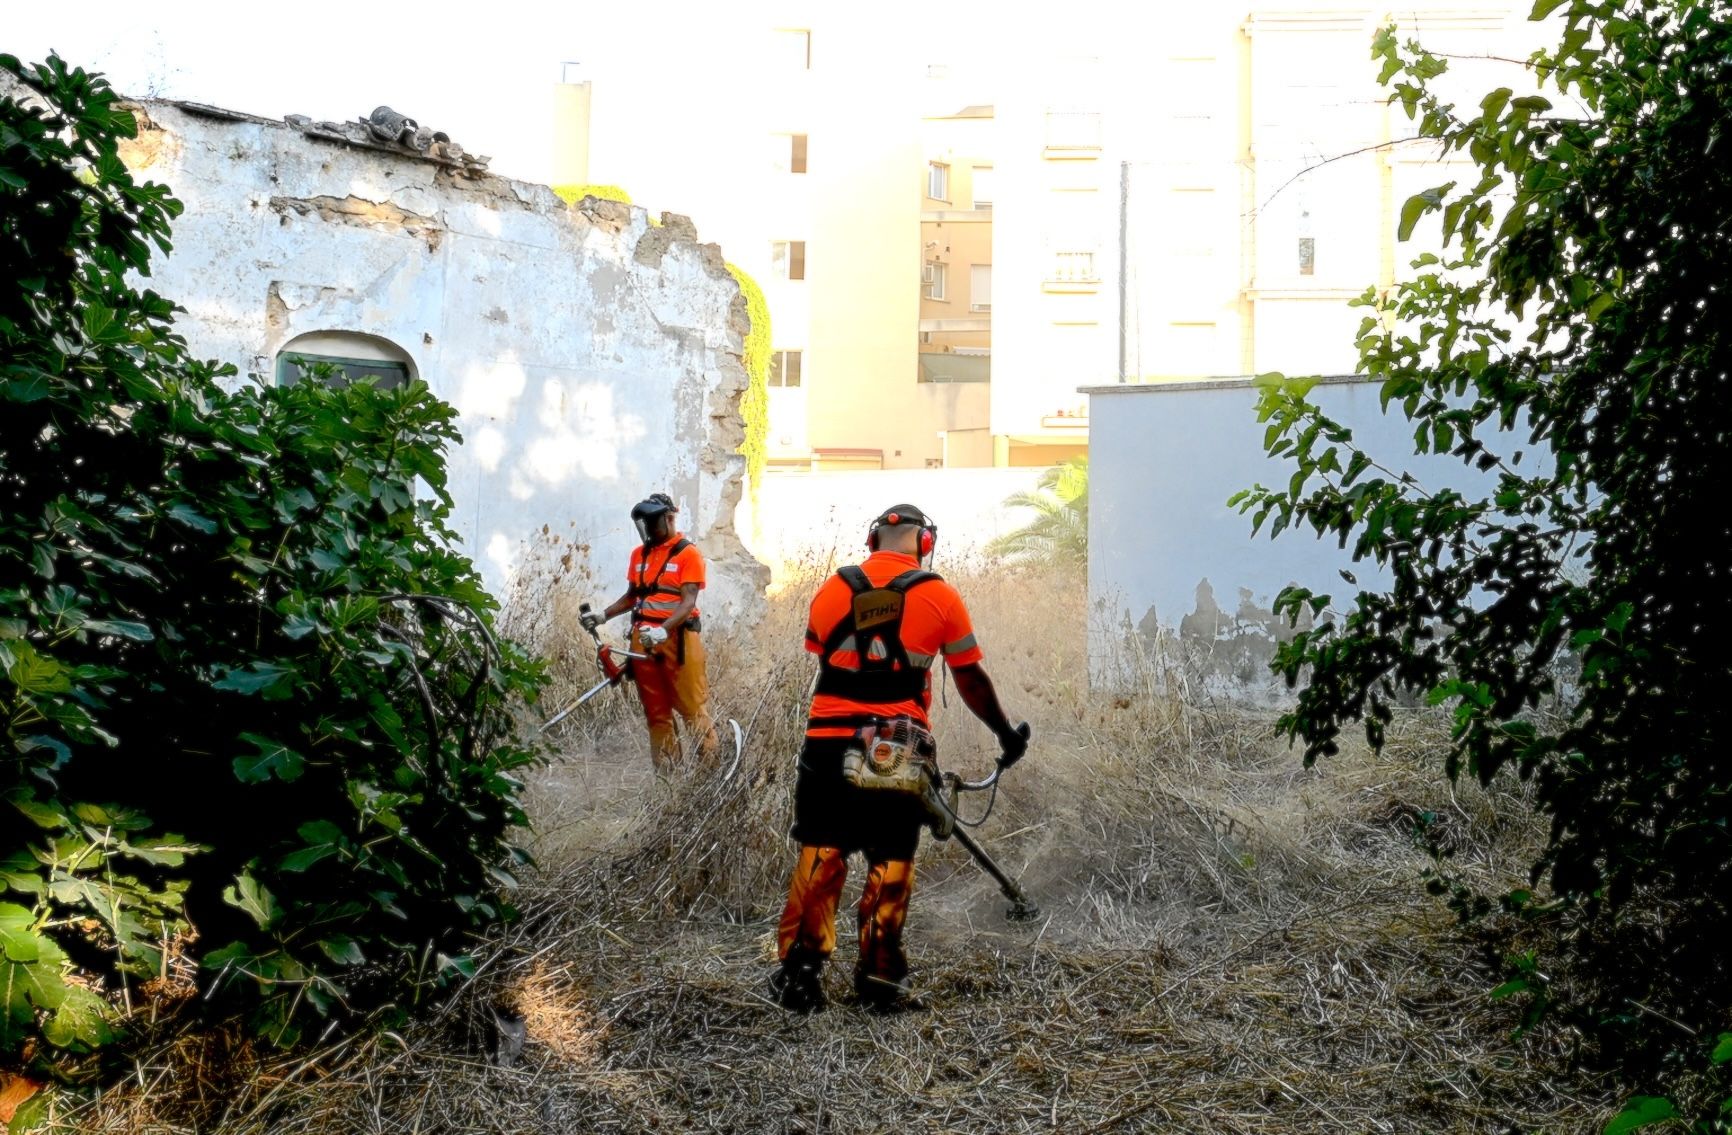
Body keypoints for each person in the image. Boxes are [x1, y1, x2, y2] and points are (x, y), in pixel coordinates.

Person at [769, 503, 1029, 1012]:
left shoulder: (830, 590)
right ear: (924, 544)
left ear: (872, 543)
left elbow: (820, 651)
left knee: (822, 850)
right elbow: (970, 679)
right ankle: (880, 982)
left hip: (827, 740)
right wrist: (1004, 734)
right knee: (891, 858)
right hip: (896, 745)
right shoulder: (940, 594)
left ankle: (800, 976)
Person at [583, 493, 718, 769]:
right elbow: (632, 595)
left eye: (651, 523)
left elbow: (688, 602)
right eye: (643, 524)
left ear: (669, 518)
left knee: (691, 708)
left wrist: (663, 630)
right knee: (657, 714)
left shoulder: (687, 554)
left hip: (678, 640)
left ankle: (710, 776)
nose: (647, 530)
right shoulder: (639, 555)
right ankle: (670, 780)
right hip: (642, 641)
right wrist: (603, 615)